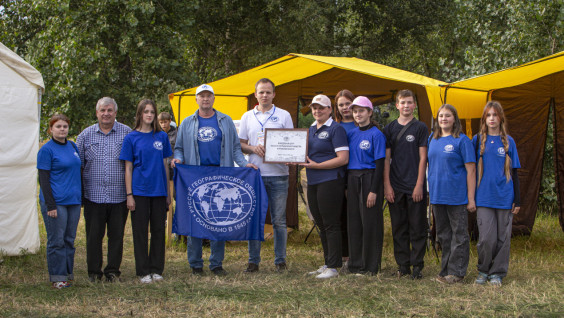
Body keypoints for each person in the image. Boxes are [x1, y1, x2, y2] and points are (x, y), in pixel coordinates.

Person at [171, 84, 256, 276]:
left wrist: (244, 164)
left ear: (214, 98)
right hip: (195, 177)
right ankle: (195, 264)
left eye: (208, 95)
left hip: (221, 176)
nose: (205, 99)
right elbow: (179, 148)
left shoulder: (225, 121)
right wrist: (178, 158)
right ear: (196, 99)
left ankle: (216, 263)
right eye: (201, 96)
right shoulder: (186, 122)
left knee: (219, 219)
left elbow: (235, 149)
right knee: (196, 219)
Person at [238, 78, 294, 273]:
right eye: (261, 92)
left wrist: (290, 156)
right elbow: (241, 143)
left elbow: (292, 142)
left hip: (279, 174)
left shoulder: (284, 115)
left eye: (268, 92)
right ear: (255, 94)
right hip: (255, 174)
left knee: (279, 220)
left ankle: (280, 261)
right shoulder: (247, 116)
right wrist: (253, 147)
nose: (264, 95)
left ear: (274, 94)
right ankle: (253, 261)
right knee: (255, 219)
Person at [76, 97, 132, 283]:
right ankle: (94, 272)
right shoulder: (85, 135)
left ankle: (112, 271)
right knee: (94, 237)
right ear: (97, 112)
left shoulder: (127, 133)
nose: (106, 114)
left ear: (115, 113)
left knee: (116, 237)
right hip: (93, 196)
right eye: (102, 110)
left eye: (109, 110)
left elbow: (132, 164)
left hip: (119, 197)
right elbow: (79, 166)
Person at [119, 99, 172, 284]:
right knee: (140, 232)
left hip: (159, 192)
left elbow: (166, 165)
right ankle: (142, 271)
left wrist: (167, 192)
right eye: (146, 111)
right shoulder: (131, 137)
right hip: (139, 192)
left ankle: (156, 269)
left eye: (152, 112)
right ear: (140, 114)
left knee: (158, 231)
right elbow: (128, 168)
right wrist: (129, 195)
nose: (149, 115)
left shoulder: (162, 136)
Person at [472, 101, 521, 287]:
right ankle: (483, 270)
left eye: (495, 115)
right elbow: (468, 169)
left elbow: (515, 172)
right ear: (485, 118)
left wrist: (518, 199)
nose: (492, 118)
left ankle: (497, 273)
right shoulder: (477, 140)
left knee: (503, 238)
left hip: (505, 197)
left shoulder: (509, 141)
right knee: (486, 238)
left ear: (501, 117)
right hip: (483, 197)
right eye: (488, 115)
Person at [427, 104, 476, 284]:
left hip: (457, 196)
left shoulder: (462, 141)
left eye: (448, 116)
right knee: (444, 235)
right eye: (441, 116)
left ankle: (457, 273)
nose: (444, 119)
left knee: (459, 235)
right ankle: (446, 269)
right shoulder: (432, 138)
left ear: (455, 119)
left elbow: (471, 171)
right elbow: (429, 166)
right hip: (438, 196)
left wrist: (471, 199)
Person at [383, 89, 429, 279]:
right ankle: (403, 265)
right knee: (399, 228)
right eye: (403, 103)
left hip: (414, 185)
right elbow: (386, 159)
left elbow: (423, 158)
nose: (406, 106)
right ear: (397, 105)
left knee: (417, 227)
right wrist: (387, 185)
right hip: (395, 185)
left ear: (415, 105)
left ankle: (417, 266)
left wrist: (419, 185)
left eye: (410, 102)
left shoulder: (420, 128)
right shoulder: (390, 128)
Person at [302, 94, 349, 279]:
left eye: (321, 107)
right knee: (320, 223)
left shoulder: (336, 129)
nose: (317, 111)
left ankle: (334, 266)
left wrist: (317, 166)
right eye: (314, 107)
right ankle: (327, 262)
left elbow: (343, 159)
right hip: (313, 180)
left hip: (330, 180)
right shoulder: (311, 128)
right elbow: (304, 154)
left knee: (331, 223)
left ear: (330, 109)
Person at [37, 114, 82, 289]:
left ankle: (68, 275)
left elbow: (77, 172)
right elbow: (43, 179)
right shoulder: (46, 150)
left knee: (70, 239)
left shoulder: (72, 146)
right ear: (51, 129)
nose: (62, 129)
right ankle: (58, 278)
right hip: (57, 202)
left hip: (73, 201)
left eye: (65, 126)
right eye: (58, 126)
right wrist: (50, 205)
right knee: (57, 240)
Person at [346, 96, 386, 275]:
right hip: (353, 179)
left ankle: (370, 266)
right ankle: (355, 263)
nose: (358, 114)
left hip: (370, 179)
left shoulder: (376, 134)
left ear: (369, 112)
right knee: (354, 222)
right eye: (355, 111)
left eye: (361, 111)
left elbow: (380, 165)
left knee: (370, 223)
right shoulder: (351, 134)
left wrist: (374, 191)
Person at [334, 89, 356, 269]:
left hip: (357, 177)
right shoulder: (334, 126)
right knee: (339, 215)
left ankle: (356, 255)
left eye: (347, 104)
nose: (344, 108)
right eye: (341, 105)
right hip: (336, 177)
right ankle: (342, 255)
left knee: (354, 217)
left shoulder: (362, 125)